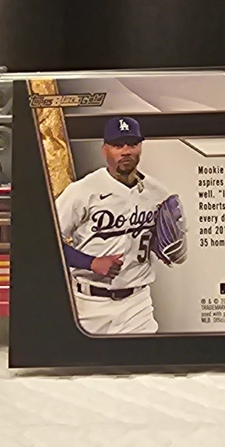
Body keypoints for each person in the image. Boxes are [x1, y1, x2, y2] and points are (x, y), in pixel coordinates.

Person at [55, 116, 175, 335]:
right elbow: (43, 240)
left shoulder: (158, 193)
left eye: (132, 144)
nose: (126, 151)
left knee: (144, 357)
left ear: (141, 147)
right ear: (105, 150)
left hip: (137, 305)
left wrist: (170, 248)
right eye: (118, 145)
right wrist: (90, 262)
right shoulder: (82, 191)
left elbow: (170, 246)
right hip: (89, 304)